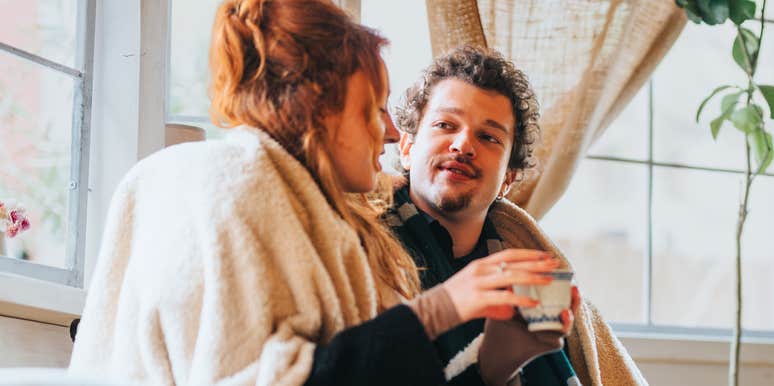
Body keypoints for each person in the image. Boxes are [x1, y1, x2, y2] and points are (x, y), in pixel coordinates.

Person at [68, 2, 565, 385]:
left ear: (510, 177)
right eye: (373, 109)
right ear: (318, 109)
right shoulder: (235, 190)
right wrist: (439, 310)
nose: (391, 132)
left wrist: (502, 361)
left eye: (489, 136)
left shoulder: (322, 219)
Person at [378, 46, 647, 385]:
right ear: (406, 148)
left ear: (508, 178)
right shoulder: (365, 250)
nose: (463, 145)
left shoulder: (528, 267)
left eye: (488, 136)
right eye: (445, 124)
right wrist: (494, 364)